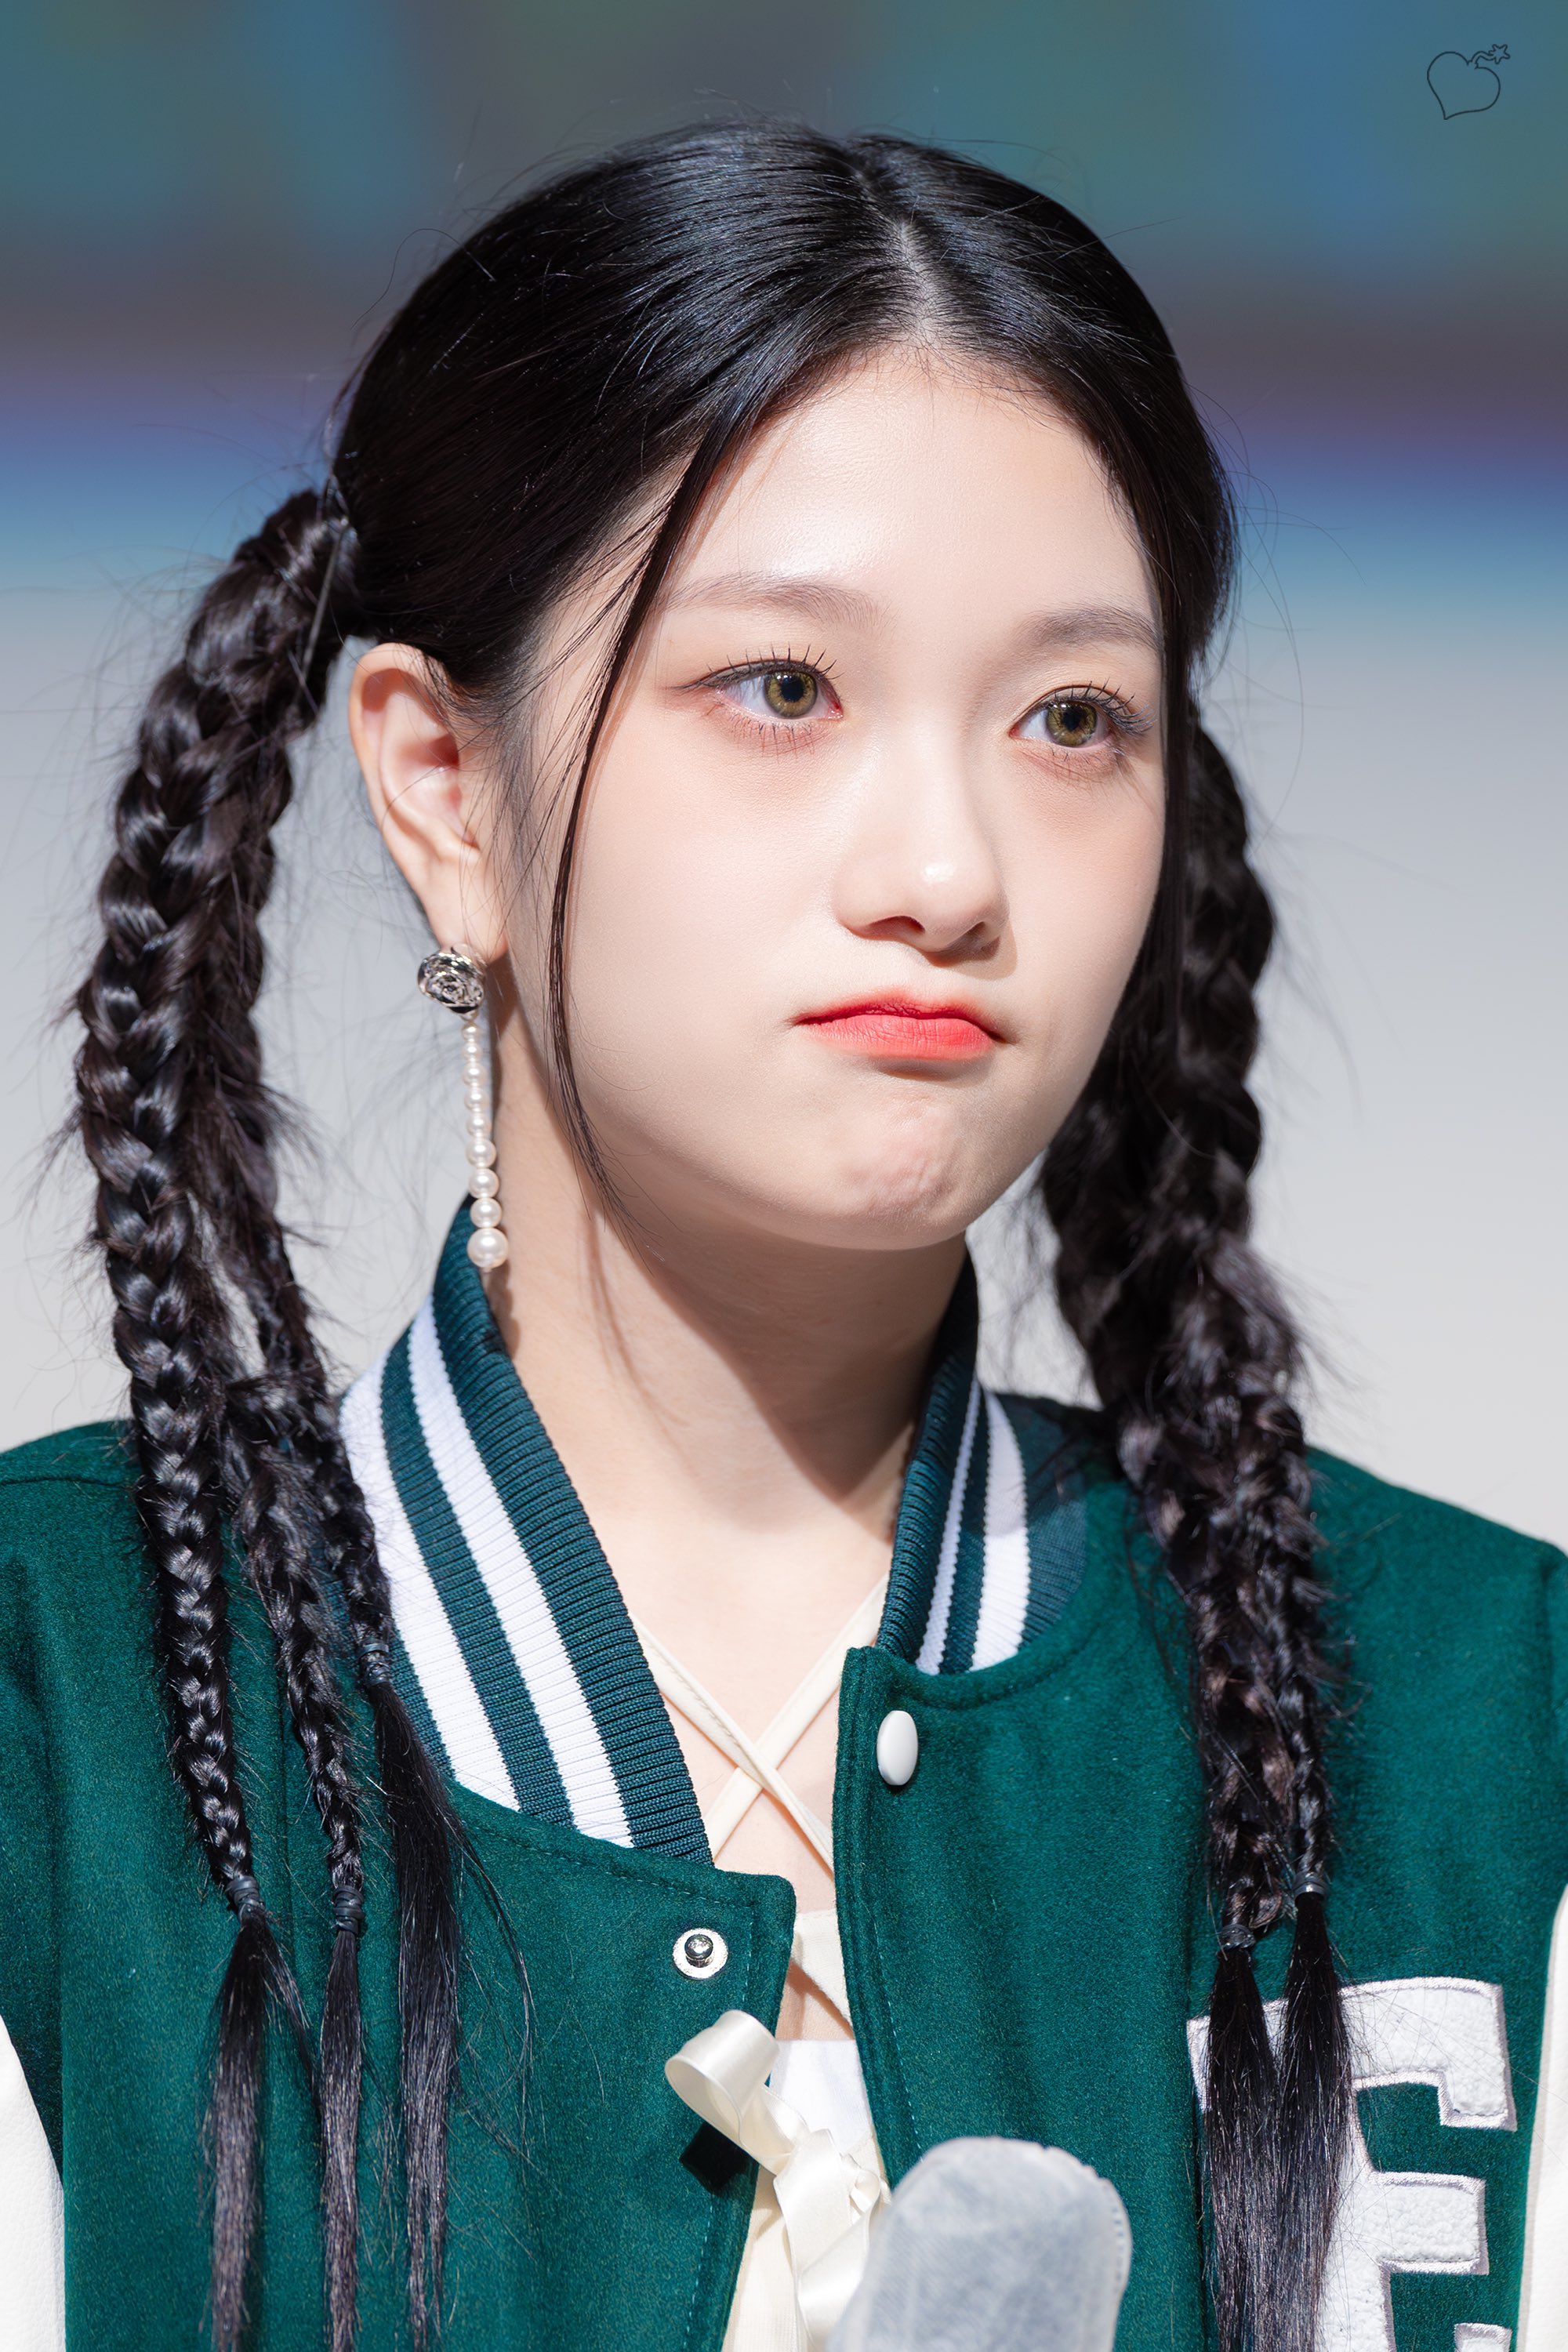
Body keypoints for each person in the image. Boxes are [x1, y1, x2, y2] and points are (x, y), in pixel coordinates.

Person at [0, 119, 1561, 2352]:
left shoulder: (1478, 1706)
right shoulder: (61, 1688)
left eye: (1072, 720)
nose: (947, 868)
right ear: (444, 784)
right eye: (785, 690)